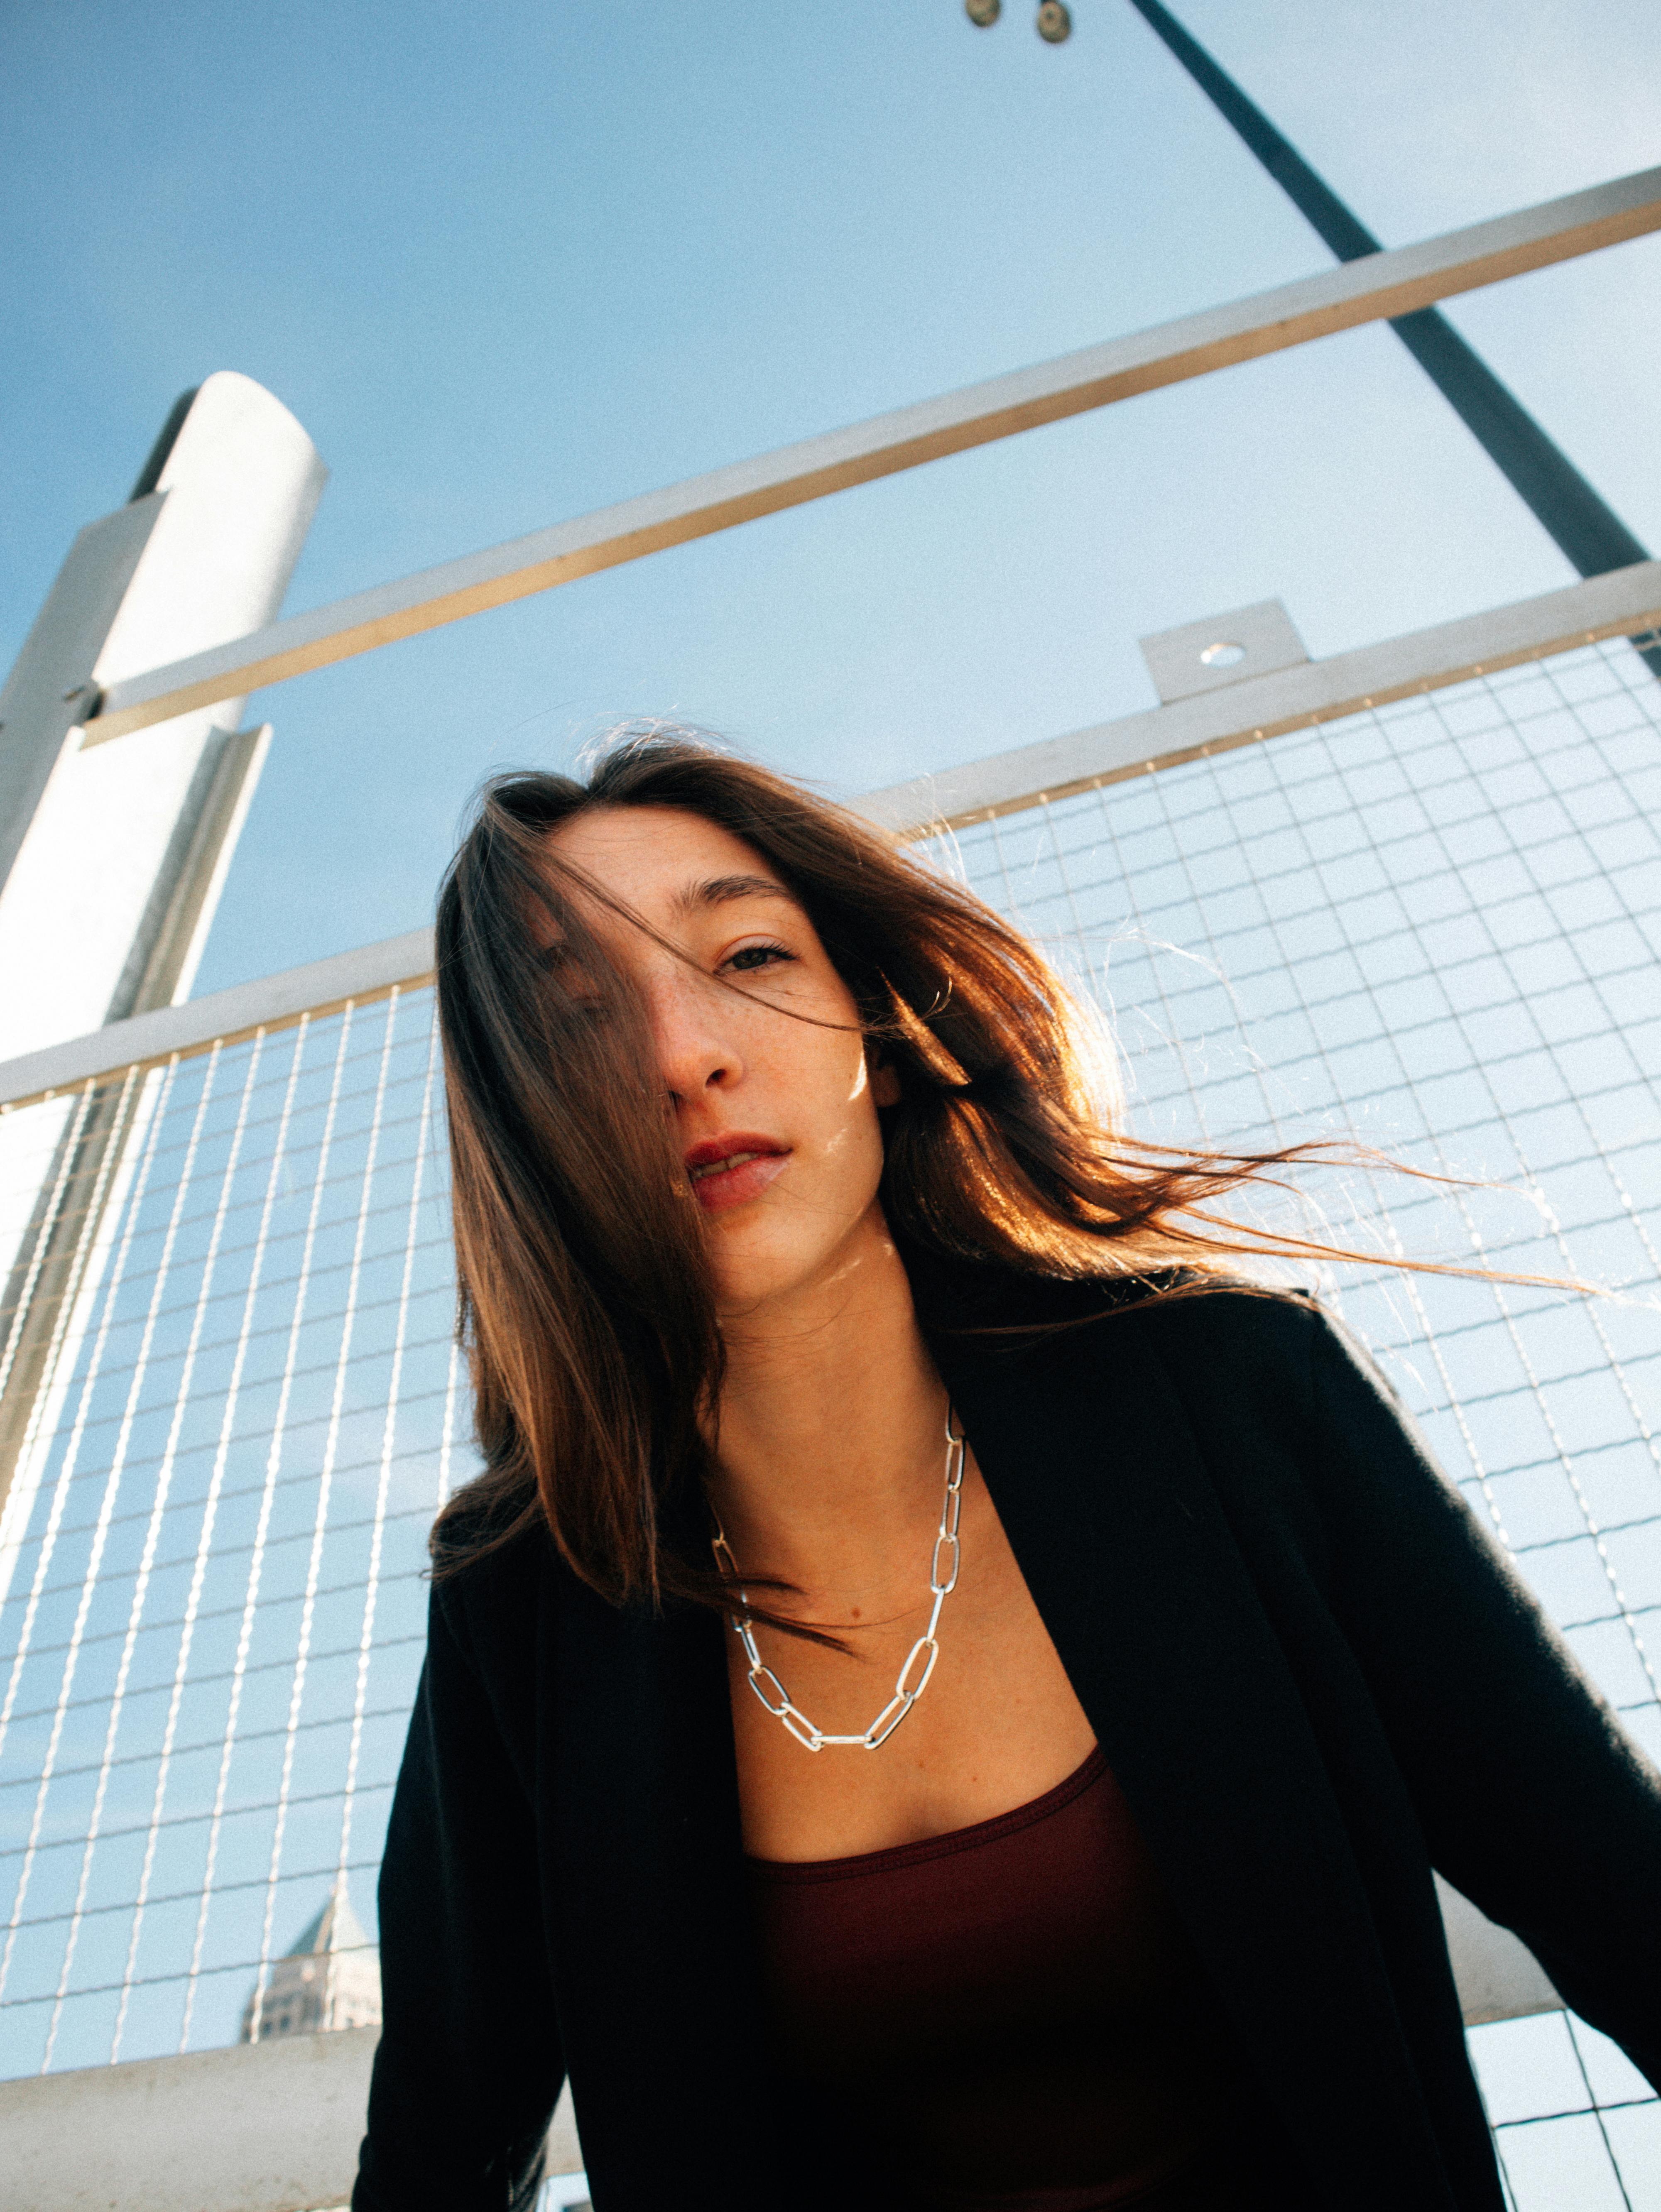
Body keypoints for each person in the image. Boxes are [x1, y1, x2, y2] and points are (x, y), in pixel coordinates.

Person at [352, 732, 1660, 2212]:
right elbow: (438, 2150)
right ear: (527, 1129)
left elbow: (1617, 1893)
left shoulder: (1225, 1391)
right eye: (581, 1017)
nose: (680, 1057)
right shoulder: (528, 1599)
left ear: (882, 1032)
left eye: (751, 959)